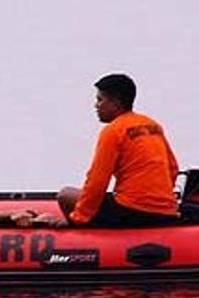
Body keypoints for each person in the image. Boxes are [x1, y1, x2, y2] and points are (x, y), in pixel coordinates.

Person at [39, 73, 181, 228]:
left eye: (100, 100)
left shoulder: (113, 131)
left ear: (115, 103)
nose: (96, 105)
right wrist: (159, 200)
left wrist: (77, 218)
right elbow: (172, 168)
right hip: (166, 211)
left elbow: (97, 181)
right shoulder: (153, 125)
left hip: (132, 211)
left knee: (65, 195)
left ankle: (85, 240)